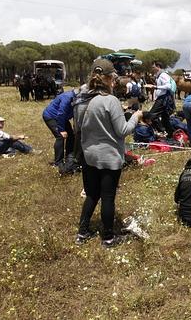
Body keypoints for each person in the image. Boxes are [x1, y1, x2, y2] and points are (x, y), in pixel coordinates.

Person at [75, 58, 142, 248]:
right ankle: (108, 238)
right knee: (107, 197)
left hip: (88, 155)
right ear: (109, 79)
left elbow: (79, 127)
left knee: (91, 195)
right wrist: (136, 117)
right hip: (109, 157)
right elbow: (122, 130)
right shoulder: (110, 100)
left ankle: (82, 232)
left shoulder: (81, 99)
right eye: (113, 78)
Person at [42, 89, 77, 171]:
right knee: (60, 136)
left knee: (71, 136)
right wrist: (61, 130)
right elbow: (61, 113)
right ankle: (57, 162)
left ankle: (69, 158)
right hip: (51, 116)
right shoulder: (67, 97)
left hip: (62, 118)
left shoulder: (77, 98)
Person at [148, 61, 175, 138]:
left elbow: (168, 86)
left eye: (153, 67)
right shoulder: (159, 75)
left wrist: (155, 87)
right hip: (162, 98)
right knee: (165, 118)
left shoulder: (163, 75)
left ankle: (162, 131)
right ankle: (170, 135)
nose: (152, 69)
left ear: (158, 67)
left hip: (163, 99)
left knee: (152, 115)